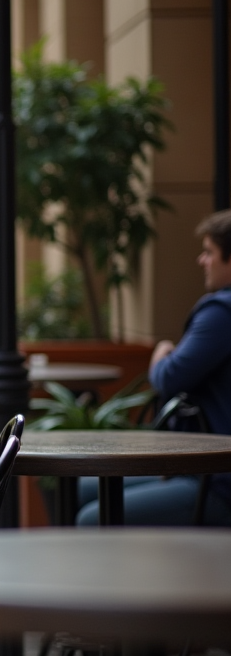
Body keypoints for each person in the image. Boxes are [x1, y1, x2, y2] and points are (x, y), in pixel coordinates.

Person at [76, 209, 231, 527]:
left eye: (209, 252)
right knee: (85, 488)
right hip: (202, 471)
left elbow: (168, 377)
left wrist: (161, 352)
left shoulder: (221, 314)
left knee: (92, 519)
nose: (202, 261)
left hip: (216, 483)